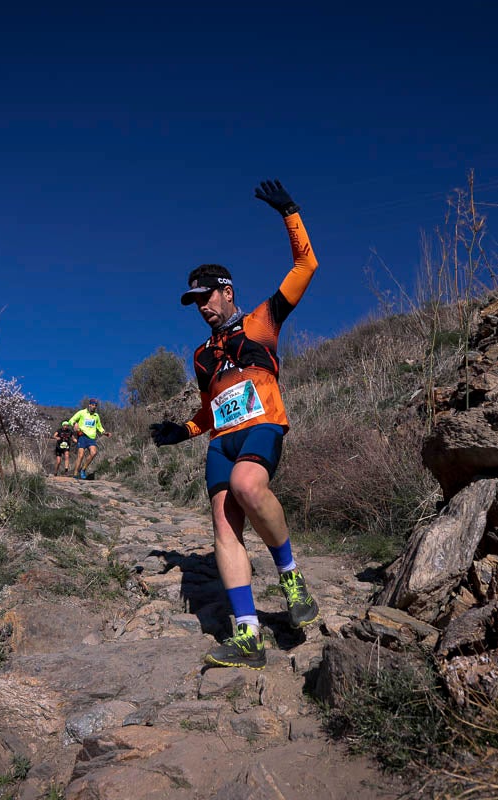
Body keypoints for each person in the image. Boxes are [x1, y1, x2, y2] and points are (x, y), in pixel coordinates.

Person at [150, 179, 320, 670]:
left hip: (263, 425)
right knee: (224, 531)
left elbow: (305, 266)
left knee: (249, 486)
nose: (202, 306)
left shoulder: (262, 322)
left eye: (207, 296)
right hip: (221, 442)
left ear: (227, 292)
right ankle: (248, 637)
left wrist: (289, 211)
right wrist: (181, 431)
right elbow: (208, 408)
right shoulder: (201, 355)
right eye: (194, 301)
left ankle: (290, 576)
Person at [67, 398, 111, 480]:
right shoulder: (82, 412)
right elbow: (71, 420)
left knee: (93, 453)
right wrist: (75, 423)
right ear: (89, 405)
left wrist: (104, 432)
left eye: (95, 406)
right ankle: (75, 474)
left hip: (91, 438)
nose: (94, 407)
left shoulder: (96, 416)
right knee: (80, 455)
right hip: (82, 436)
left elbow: (99, 427)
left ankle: (83, 470)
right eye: (93, 405)